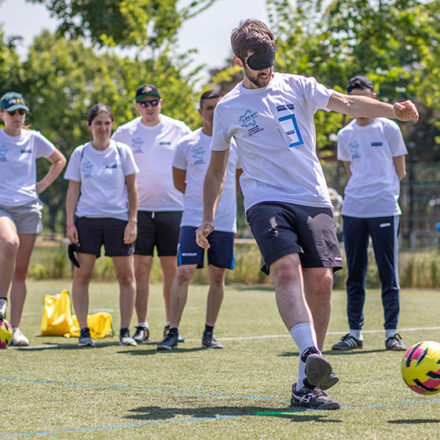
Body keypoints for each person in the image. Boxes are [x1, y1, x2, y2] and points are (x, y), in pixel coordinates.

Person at [195, 19, 418, 410]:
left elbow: (347, 104)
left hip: (312, 197)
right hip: (265, 199)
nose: (265, 67)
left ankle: (306, 386)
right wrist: (208, 216)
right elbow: (216, 169)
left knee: (321, 281)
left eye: (270, 58)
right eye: (256, 61)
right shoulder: (229, 107)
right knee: (285, 269)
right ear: (239, 61)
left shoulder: (298, 85)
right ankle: (310, 353)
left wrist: (392, 111)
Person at [156, 90, 242, 350]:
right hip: (192, 219)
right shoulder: (187, 144)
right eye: (209, 108)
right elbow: (177, 182)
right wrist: (201, 202)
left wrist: (217, 204)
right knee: (184, 272)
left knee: (218, 277)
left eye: (218, 107)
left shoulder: (236, 145)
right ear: (200, 112)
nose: (213, 113)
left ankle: (209, 332)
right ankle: (172, 331)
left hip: (225, 222)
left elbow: (237, 181)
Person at [331, 76, 408, 352]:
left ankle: (391, 334)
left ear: (375, 98)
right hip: (353, 210)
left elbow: (401, 171)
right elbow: (353, 173)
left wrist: (383, 190)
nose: (362, 105)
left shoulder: (389, 128)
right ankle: (354, 333)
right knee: (355, 273)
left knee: (389, 272)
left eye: (367, 98)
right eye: (356, 100)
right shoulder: (345, 135)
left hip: (385, 208)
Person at [112, 84, 191, 343]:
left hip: (173, 209)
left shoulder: (178, 129)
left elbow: (194, 163)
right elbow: (114, 169)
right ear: (136, 105)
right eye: (143, 103)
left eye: (153, 101)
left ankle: (171, 325)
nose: (149, 107)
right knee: (141, 268)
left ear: (161, 102)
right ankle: (142, 325)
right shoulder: (124, 133)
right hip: (140, 212)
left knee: (171, 269)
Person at [65, 104, 139, 347]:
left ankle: (125, 332)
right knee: (82, 275)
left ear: (112, 125)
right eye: (98, 123)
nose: (103, 128)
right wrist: (70, 224)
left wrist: (132, 221)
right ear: (89, 126)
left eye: (107, 123)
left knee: (125, 276)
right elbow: (73, 190)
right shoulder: (80, 153)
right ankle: (84, 332)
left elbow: (132, 188)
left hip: (118, 220)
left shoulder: (122, 151)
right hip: (87, 220)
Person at [0, 91, 66, 346]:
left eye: (21, 112)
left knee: (21, 271)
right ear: (2, 115)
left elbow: (58, 160)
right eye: (12, 112)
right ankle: (1, 303)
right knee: (9, 244)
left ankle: (14, 329)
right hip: (2, 207)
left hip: (29, 207)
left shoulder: (34, 138)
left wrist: (42, 185)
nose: (18, 117)